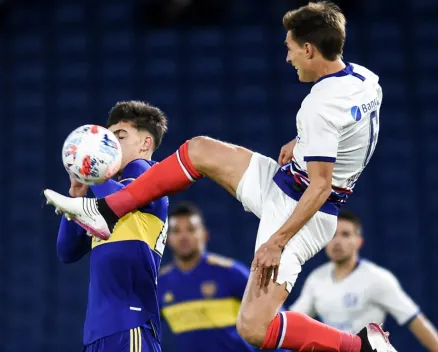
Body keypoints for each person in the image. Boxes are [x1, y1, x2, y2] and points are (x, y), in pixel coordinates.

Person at [43, 2, 394, 351]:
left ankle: (359, 347)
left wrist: (277, 242)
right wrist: (304, 143)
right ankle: (106, 210)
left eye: (289, 49)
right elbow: (353, 133)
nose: (287, 58)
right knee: (200, 150)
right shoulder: (365, 81)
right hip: (285, 180)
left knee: (254, 328)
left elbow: (320, 185)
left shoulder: (318, 107)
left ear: (308, 48)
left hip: (302, 210)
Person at [51, 101, 169, 352]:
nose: (111, 145)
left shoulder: (151, 175)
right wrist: (77, 197)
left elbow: (127, 196)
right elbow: (67, 251)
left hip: (131, 324)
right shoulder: (107, 195)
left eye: (120, 137)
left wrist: (95, 170)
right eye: (108, 138)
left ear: (145, 143)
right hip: (98, 329)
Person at [290, 210, 438, 351]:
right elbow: (293, 321)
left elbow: (414, 320)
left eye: (345, 234)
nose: (337, 241)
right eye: (332, 235)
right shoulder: (316, 279)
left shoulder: (377, 278)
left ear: (359, 241)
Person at [158, 202, 289, 352]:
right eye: (176, 231)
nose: (183, 237)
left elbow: (273, 318)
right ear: (167, 238)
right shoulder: (161, 283)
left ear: (205, 234)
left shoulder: (231, 273)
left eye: (191, 229)